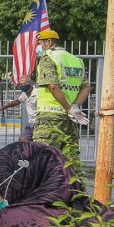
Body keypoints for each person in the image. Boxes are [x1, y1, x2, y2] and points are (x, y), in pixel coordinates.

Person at [33, 29, 90, 178]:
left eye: (40, 43)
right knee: (71, 163)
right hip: (69, 119)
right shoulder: (76, 60)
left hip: (49, 118)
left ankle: (43, 195)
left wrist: (69, 108)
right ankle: (75, 195)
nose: (39, 47)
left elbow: (52, 86)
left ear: (49, 42)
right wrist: (74, 107)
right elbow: (86, 87)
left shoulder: (48, 58)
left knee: (42, 159)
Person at [0, 75, 37, 143]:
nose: (21, 85)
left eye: (23, 83)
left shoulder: (37, 93)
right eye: (20, 84)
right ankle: (33, 149)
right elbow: (17, 101)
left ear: (30, 83)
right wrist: (4, 107)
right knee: (22, 139)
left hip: (39, 123)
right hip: (31, 123)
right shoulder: (24, 94)